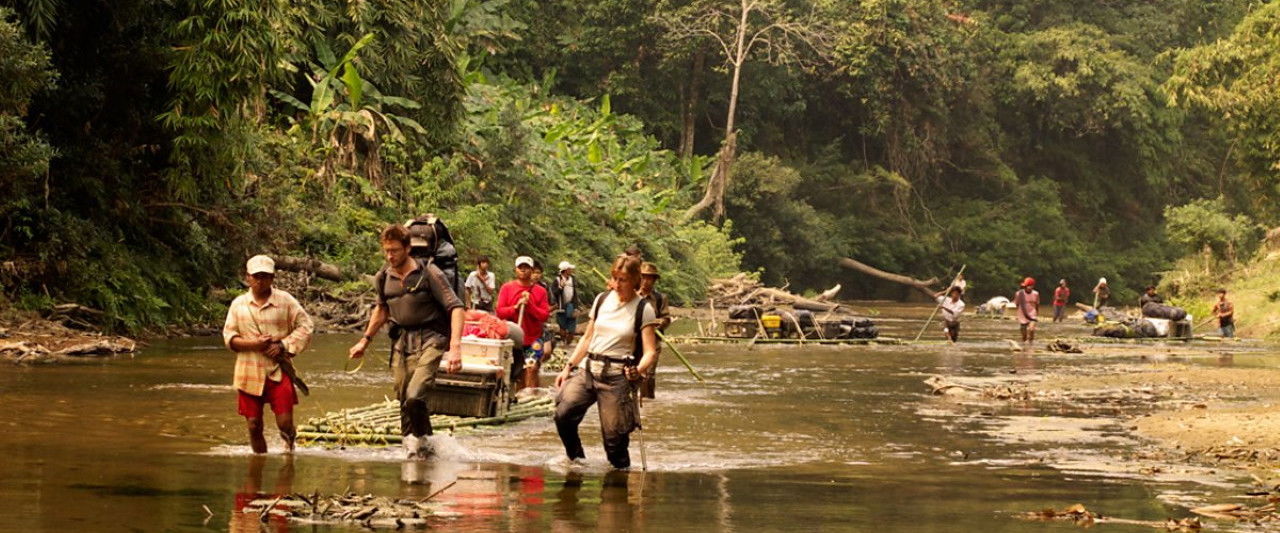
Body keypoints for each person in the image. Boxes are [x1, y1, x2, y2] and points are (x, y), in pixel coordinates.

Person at [348, 224, 465, 459]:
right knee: (403, 397)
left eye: (395, 251)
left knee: (415, 394)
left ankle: (425, 444)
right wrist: (365, 341)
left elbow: (456, 308)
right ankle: (414, 447)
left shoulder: (430, 272)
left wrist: (455, 348)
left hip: (432, 338)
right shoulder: (384, 277)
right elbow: (382, 310)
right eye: (386, 251)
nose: (390, 256)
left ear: (408, 248)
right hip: (402, 341)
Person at [554, 253, 658, 469]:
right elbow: (587, 337)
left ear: (635, 280)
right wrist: (568, 367)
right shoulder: (602, 299)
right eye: (615, 278)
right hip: (588, 371)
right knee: (563, 414)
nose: (617, 284)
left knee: (614, 439)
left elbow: (650, 351)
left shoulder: (643, 309)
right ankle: (576, 459)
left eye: (623, 280)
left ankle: (620, 477)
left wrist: (638, 370)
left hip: (616, 378)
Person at [223, 255, 314, 454]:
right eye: (256, 276)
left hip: (278, 370)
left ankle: (289, 446)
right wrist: (254, 344)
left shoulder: (286, 301)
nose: (260, 280)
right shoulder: (239, 305)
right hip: (248, 371)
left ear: (272, 278)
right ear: (247, 277)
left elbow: (306, 326)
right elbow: (230, 338)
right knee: (254, 425)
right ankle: (259, 462)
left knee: (285, 423)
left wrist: (283, 345)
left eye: (265, 276)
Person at [497, 256, 551, 391]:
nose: (523, 270)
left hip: (533, 339)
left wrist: (530, 305)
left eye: (526, 268)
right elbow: (500, 312)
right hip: (512, 338)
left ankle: (531, 396)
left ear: (532, 270)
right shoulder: (507, 288)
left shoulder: (540, 291)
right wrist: (515, 307)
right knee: (516, 372)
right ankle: (517, 398)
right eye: (520, 268)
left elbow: (544, 315)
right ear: (515, 270)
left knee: (532, 368)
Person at [637, 262, 671, 398]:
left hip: (653, 341)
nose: (645, 281)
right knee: (631, 371)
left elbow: (666, 318)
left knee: (649, 374)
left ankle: (648, 401)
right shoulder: (632, 296)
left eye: (649, 278)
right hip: (634, 339)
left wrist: (660, 323)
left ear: (654, 280)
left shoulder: (660, 298)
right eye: (643, 277)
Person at [550, 261, 582, 346]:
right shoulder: (557, 280)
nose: (571, 270)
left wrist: (576, 307)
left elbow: (575, 293)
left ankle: (568, 344)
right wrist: (561, 287)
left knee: (572, 330)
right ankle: (564, 344)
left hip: (571, 306)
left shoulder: (573, 279)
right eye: (569, 269)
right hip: (561, 307)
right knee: (562, 327)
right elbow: (554, 293)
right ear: (565, 270)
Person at [1013, 277, 1040, 346]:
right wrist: (1018, 313)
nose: (1028, 287)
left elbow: (1037, 304)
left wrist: (1036, 313)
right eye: (1027, 286)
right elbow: (1017, 304)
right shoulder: (1019, 294)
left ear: (1033, 286)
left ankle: (1031, 343)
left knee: (1031, 329)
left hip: (1032, 313)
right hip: (1022, 314)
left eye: (1030, 286)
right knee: (1024, 334)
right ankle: (1024, 345)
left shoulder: (1036, 294)